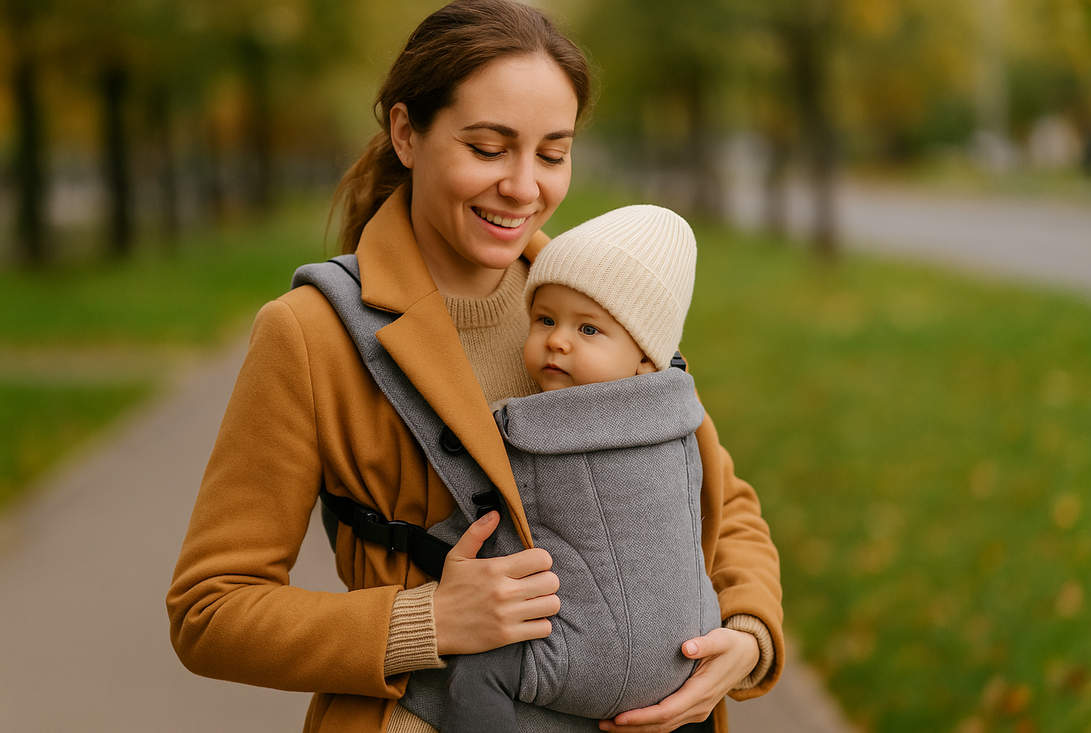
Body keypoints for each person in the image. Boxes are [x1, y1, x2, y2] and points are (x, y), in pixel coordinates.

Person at [165, 1, 784, 732]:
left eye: (552, 153)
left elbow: (718, 496)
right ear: (406, 133)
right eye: (489, 148)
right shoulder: (310, 333)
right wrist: (425, 619)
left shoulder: (597, 301)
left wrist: (748, 634)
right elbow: (210, 608)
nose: (525, 187)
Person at [437, 204, 775, 733]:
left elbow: (727, 504)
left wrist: (751, 634)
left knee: (477, 676)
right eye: (544, 319)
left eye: (588, 329)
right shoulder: (674, 408)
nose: (557, 340)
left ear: (646, 358)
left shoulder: (528, 429)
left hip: (581, 659)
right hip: (681, 656)